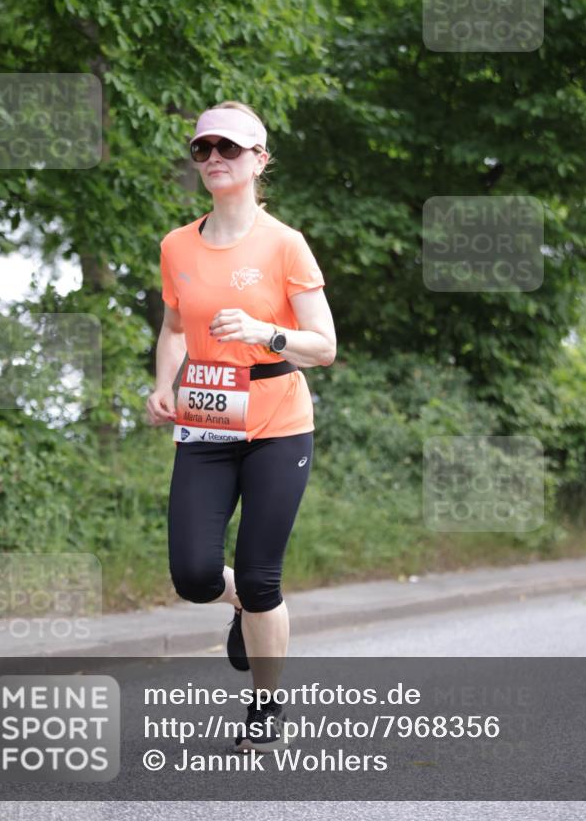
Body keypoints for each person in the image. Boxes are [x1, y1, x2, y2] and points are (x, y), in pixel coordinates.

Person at [146, 101, 337, 752]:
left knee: (261, 578)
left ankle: (265, 704)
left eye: (228, 147)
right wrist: (162, 385)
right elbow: (175, 328)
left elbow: (324, 346)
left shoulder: (284, 243)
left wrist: (264, 331)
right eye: (203, 148)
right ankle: (242, 608)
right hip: (207, 412)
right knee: (194, 575)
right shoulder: (177, 245)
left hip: (279, 418)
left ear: (259, 160)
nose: (213, 158)